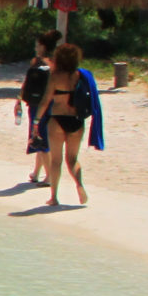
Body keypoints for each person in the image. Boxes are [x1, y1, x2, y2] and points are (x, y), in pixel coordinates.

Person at [40, 41, 104, 207]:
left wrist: (35, 121)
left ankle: (54, 197)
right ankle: (79, 185)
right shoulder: (80, 76)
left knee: (56, 160)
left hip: (57, 120)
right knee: (72, 159)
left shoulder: (55, 76)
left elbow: (46, 100)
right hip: (76, 121)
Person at [15, 32, 59, 184]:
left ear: (43, 46)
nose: (35, 48)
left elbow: (26, 84)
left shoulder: (39, 63)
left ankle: (49, 176)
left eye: (37, 45)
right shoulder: (53, 63)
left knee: (39, 138)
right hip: (50, 104)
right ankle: (37, 172)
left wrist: (19, 99)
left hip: (37, 105)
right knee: (39, 137)